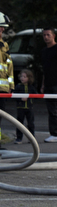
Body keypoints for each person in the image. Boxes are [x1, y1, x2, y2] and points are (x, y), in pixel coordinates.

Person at [0, 12, 14, 145]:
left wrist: (11, 86)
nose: (3, 29)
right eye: (0, 27)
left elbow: (9, 66)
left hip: (3, 89)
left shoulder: (4, 45)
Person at [14, 69, 37, 144]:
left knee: (30, 123)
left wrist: (29, 98)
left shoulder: (31, 87)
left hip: (29, 108)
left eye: (24, 76)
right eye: (21, 76)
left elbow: (36, 95)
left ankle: (31, 138)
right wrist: (20, 99)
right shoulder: (18, 86)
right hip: (20, 108)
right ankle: (19, 138)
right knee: (19, 124)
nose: (22, 78)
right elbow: (14, 96)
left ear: (29, 78)